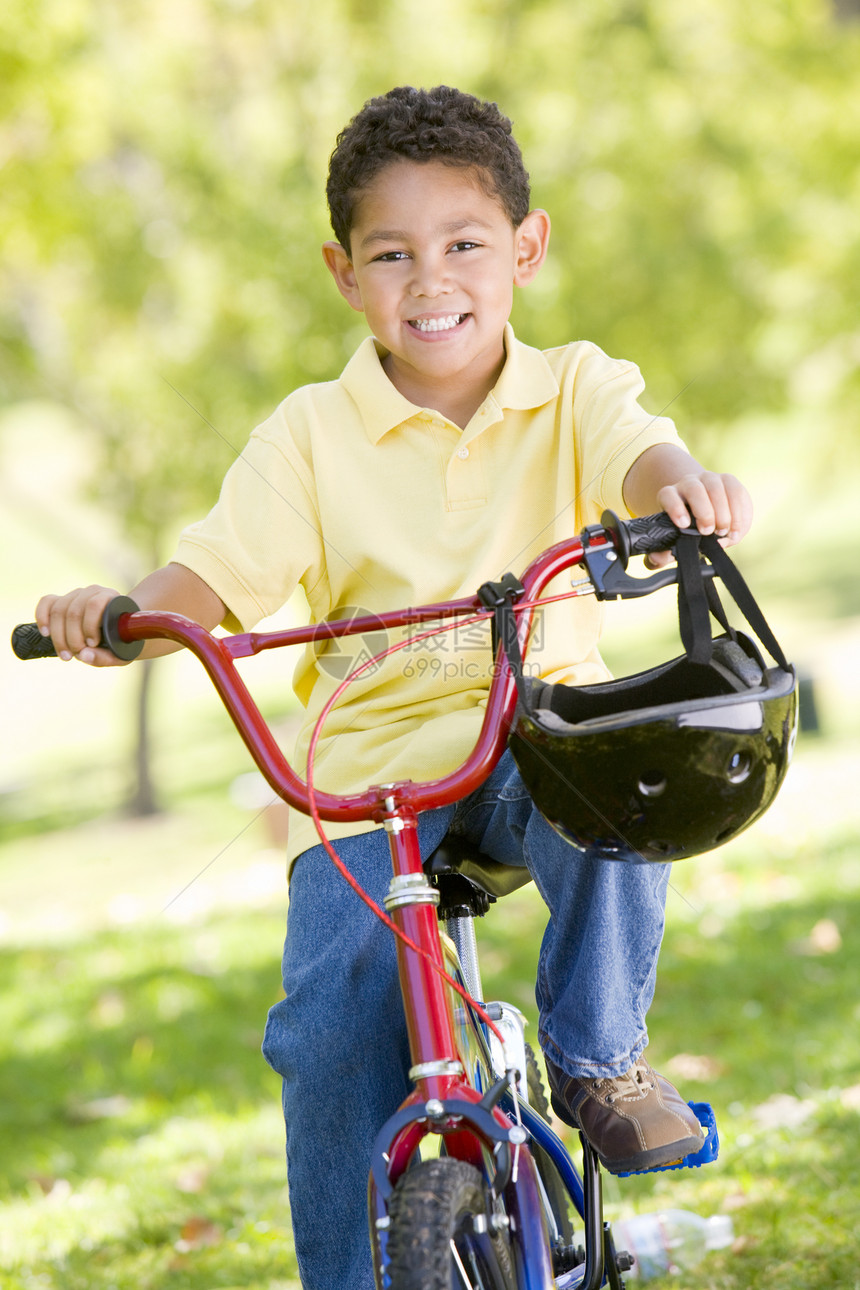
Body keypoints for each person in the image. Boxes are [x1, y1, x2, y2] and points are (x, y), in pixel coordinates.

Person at [36, 86, 753, 1290]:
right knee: (326, 1030)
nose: (432, 280)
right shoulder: (308, 436)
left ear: (523, 250)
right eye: (392, 254)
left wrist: (675, 489)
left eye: (465, 245)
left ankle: (597, 1058)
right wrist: (123, 617)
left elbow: (641, 450)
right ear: (344, 274)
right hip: (369, 783)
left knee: (615, 790)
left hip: (533, 735)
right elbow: (210, 574)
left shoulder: (571, 385)